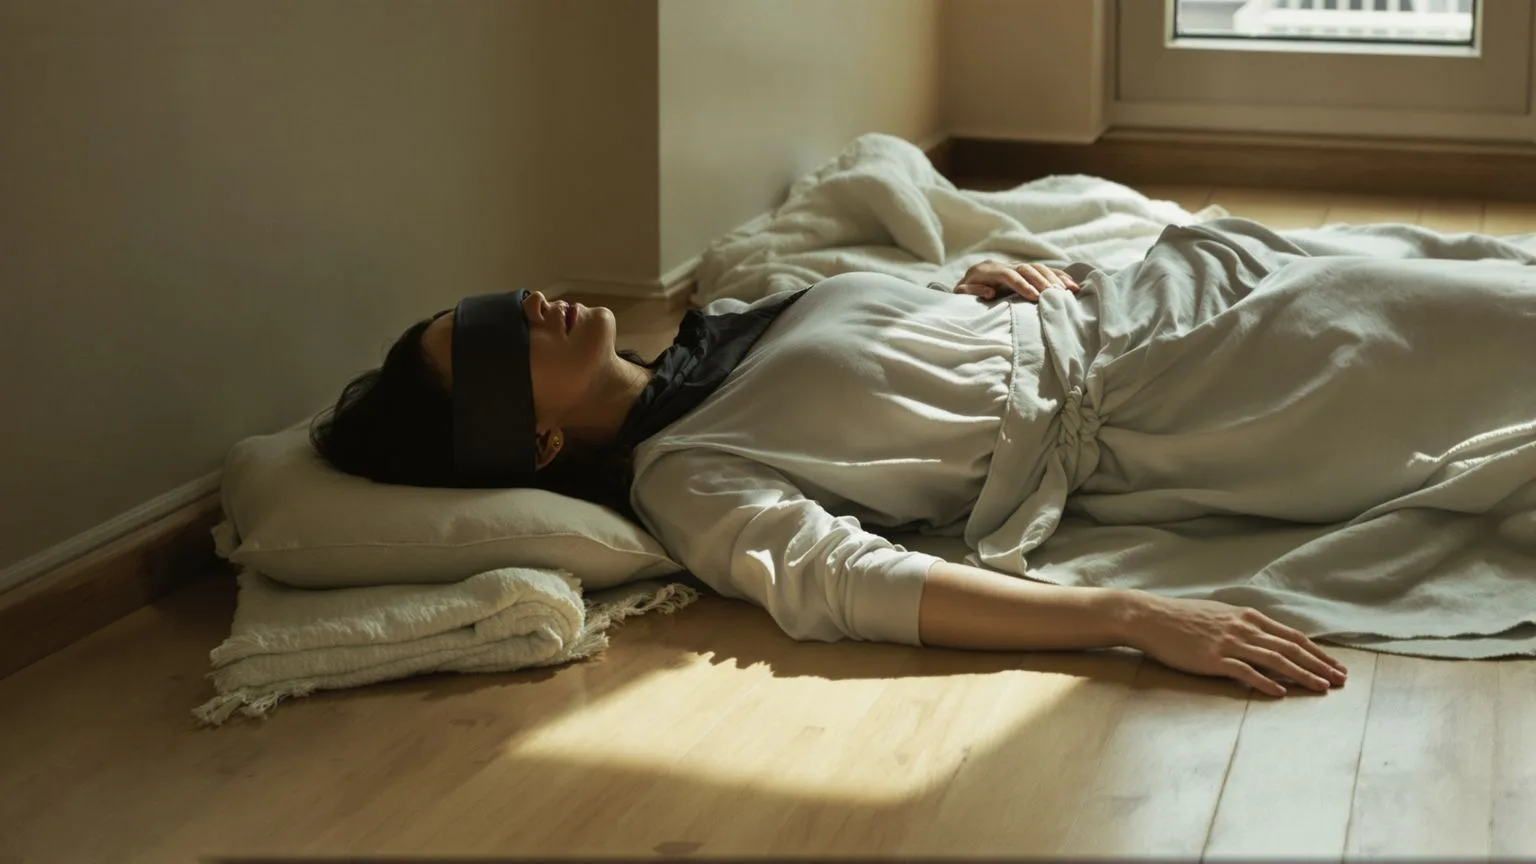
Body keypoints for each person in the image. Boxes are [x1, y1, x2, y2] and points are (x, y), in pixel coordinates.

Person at [312, 216, 1536, 698]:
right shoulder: (689, 477)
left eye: (493, 297)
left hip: (1147, 294)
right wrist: (1124, 616)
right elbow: (853, 588)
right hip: (1191, 394)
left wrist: (961, 290)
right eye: (489, 341)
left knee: (1468, 278)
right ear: (526, 438)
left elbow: (877, 353)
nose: (524, 299)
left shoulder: (720, 327)